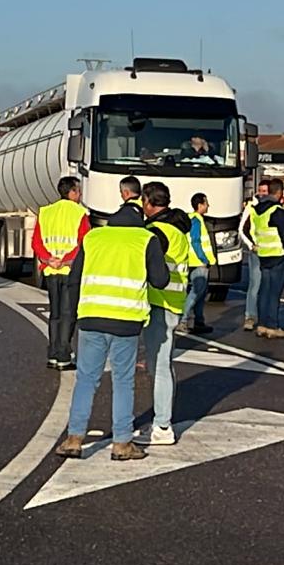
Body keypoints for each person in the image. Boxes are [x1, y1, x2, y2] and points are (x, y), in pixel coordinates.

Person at [53, 195, 169, 462]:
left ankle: (73, 439)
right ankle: (122, 443)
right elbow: (160, 280)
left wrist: (74, 315)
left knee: (86, 380)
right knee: (123, 381)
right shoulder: (145, 239)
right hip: (126, 320)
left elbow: (75, 278)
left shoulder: (93, 237)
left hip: (91, 317)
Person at [140, 181, 193, 445]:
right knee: (165, 364)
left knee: (158, 366)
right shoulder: (178, 229)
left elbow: (148, 265)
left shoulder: (156, 231)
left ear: (148, 202)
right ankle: (163, 419)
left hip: (158, 302)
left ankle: (162, 425)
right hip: (173, 302)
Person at [34, 176, 91, 369]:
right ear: (72, 192)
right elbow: (84, 242)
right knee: (69, 313)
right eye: (78, 191)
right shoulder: (80, 213)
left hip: (50, 270)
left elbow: (37, 241)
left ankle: (52, 353)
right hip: (69, 270)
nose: (80, 194)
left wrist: (49, 259)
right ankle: (64, 355)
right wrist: (66, 260)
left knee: (55, 313)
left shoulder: (45, 212)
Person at [244, 177, 284, 339]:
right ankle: (272, 326)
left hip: (264, 255)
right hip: (278, 256)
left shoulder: (257, 210)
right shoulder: (277, 211)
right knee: (274, 292)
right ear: (280, 193)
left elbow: (251, 231)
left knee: (264, 291)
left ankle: (262, 325)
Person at [176, 192, 215, 336]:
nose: (208, 205)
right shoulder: (197, 220)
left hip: (191, 260)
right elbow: (196, 241)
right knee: (197, 292)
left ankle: (199, 321)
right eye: (206, 203)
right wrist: (204, 259)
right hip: (198, 262)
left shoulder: (190, 219)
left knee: (200, 293)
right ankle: (183, 320)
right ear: (200, 205)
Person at [238, 180, 271, 331]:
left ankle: (265, 318)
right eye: (261, 190)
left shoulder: (274, 207)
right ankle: (250, 316)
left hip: (271, 252)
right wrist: (252, 246)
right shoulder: (251, 207)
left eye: (266, 191)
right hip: (257, 252)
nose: (263, 193)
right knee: (255, 285)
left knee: (269, 287)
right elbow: (242, 230)